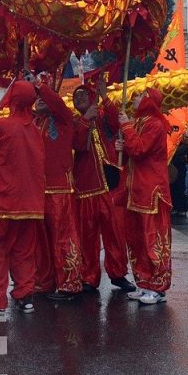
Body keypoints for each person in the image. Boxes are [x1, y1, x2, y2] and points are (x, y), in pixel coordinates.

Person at [0, 82, 46, 315]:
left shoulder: (3, 126)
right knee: (24, 250)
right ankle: (25, 296)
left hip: (3, 200)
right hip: (30, 202)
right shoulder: (34, 129)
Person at [72, 82, 134, 293]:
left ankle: (118, 274)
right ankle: (89, 277)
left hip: (109, 185)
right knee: (87, 236)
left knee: (114, 234)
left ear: (92, 98)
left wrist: (105, 98)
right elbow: (79, 145)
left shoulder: (102, 118)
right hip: (86, 186)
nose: (79, 97)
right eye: (76, 96)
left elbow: (117, 124)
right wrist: (85, 119)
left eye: (83, 94)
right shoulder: (75, 122)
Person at [117, 88, 172, 305]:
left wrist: (127, 127)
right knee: (137, 239)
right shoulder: (139, 122)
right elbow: (133, 149)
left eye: (140, 95)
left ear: (149, 101)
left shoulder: (155, 124)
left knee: (153, 239)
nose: (134, 98)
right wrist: (123, 144)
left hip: (151, 190)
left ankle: (157, 288)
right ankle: (144, 282)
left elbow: (139, 149)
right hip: (136, 190)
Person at [33, 78, 83, 300]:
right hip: (37, 191)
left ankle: (69, 284)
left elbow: (58, 105)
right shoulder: (33, 122)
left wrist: (40, 86)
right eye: (37, 98)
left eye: (45, 97)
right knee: (41, 240)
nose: (41, 100)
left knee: (63, 237)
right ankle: (44, 281)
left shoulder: (63, 118)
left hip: (60, 189)